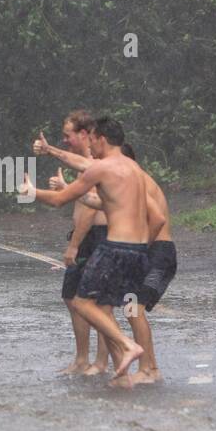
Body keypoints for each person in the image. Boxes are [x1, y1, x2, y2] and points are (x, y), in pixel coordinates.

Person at [20, 117, 149, 384]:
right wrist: (51, 151)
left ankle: (128, 346)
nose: (90, 146)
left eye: (92, 139)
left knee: (82, 303)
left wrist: (33, 192)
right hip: (139, 249)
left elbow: (59, 200)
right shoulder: (133, 169)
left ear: (100, 139)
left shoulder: (101, 168)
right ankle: (121, 376)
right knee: (103, 307)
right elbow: (90, 183)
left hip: (115, 247)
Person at [39, 136, 174, 385]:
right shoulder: (128, 182)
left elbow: (157, 220)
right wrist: (66, 183)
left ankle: (150, 369)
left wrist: (143, 245)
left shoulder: (137, 180)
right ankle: (130, 367)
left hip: (157, 252)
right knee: (113, 306)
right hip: (146, 250)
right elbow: (93, 191)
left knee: (133, 310)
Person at [54, 110, 110, 376]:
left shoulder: (95, 160)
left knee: (96, 301)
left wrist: (74, 245)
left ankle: (100, 362)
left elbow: (89, 210)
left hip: (95, 237)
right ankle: (82, 359)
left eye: (68, 135)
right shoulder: (82, 162)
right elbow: (81, 199)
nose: (65, 140)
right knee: (71, 297)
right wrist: (65, 187)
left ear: (84, 134)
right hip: (86, 237)